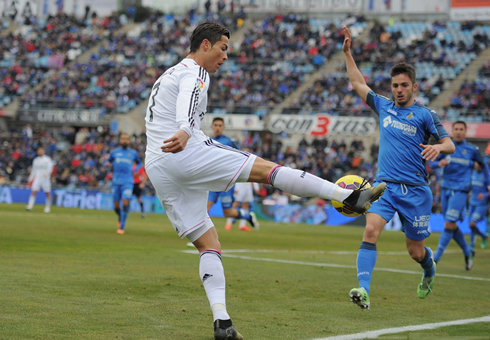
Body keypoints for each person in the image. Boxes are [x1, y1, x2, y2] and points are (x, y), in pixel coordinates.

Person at [144, 22, 386, 339]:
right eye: (223, 48)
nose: (225, 57)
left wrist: (182, 131)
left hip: (157, 164)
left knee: (208, 243)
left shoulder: (167, 74)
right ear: (205, 45)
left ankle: (222, 323)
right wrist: (185, 130)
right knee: (266, 170)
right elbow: (188, 98)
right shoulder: (195, 72)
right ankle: (347, 196)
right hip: (184, 149)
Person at [342, 26, 455, 310]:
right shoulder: (384, 107)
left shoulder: (425, 114)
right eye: (395, 85)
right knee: (370, 232)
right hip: (385, 187)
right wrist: (347, 53)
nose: (399, 90)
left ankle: (429, 270)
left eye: (404, 85)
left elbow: (449, 144)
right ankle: (363, 291)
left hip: (416, 191)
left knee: (415, 251)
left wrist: (438, 148)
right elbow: (358, 83)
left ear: (414, 87)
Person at [432, 121, 490, 268]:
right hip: (445, 188)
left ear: (465, 132)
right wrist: (438, 164)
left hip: (461, 190)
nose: (458, 132)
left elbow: (483, 165)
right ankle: (467, 252)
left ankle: (435, 259)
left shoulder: (472, 150)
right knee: (451, 225)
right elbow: (431, 162)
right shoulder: (446, 147)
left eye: (461, 129)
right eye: (456, 129)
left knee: (448, 223)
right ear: (451, 131)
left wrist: (488, 182)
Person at [207, 117, 256, 232]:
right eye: (216, 125)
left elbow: (241, 157)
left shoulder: (230, 141)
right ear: (212, 127)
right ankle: (203, 239)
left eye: (220, 125)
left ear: (223, 127)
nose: (218, 127)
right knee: (205, 210)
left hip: (226, 182)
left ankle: (248, 216)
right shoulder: (208, 141)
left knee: (227, 212)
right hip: (213, 181)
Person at [106, 133, 141, 235]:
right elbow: (107, 162)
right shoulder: (115, 152)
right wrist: (108, 164)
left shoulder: (133, 153)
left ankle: (122, 226)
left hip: (128, 182)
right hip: (116, 182)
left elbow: (139, 164)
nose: (125, 141)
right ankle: (121, 217)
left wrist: (136, 170)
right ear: (120, 140)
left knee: (125, 202)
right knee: (116, 206)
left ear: (129, 141)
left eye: (127, 139)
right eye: (123, 139)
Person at [26, 147, 54, 213]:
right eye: (39, 151)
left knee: (47, 193)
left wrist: (47, 173)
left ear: (44, 151)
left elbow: (50, 167)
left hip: (45, 178)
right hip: (38, 178)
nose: (40, 152)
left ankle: (47, 207)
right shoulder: (36, 160)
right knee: (33, 191)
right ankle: (30, 206)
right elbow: (33, 170)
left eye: (41, 151)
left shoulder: (47, 159)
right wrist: (30, 178)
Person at [468, 161, 489, 251]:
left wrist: (484, 195)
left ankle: (474, 244)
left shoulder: (487, 175)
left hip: (482, 204)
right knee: (471, 225)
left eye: (478, 164)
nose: (477, 165)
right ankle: (474, 243)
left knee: (473, 223)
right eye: (476, 163)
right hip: (472, 202)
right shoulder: (473, 173)